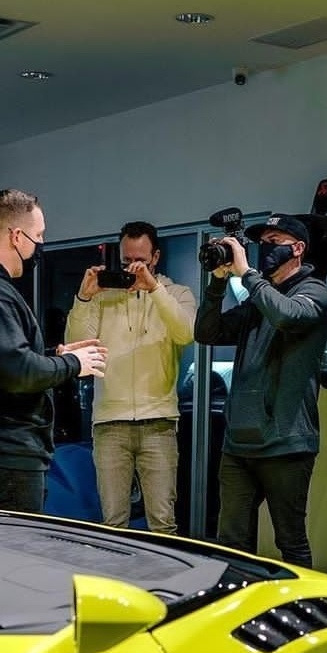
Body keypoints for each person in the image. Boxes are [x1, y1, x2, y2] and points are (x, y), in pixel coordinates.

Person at [0, 189, 106, 513]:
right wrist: (72, 364)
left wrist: (53, 355)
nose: (40, 245)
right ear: (17, 236)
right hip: (5, 452)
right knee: (13, 554)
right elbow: (16, 371)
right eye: (38, 236)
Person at [194, 212, 327, 566]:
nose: (265, 250)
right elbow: (207, 333)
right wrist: (217, 283)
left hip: (286, 442)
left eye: (274, 243)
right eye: (261, 244)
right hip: (239, 443)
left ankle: (299, 613)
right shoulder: (257, 298)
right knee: (231, 542)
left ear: (297, 249)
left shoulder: (314, 292)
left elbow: (286, 315)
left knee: (290, 541)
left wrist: (249, 276)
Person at [65, 221, 196, 533]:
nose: (134, 267)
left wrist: (153, 288)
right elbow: (75, 345)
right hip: (110, 423)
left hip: (159, 423)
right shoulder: (103, 297)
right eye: (127, 261)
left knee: (163, 523)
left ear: (156, 257)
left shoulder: (178, 293)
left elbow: (185, 333)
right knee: (113, 524)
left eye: (142, 260)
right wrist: (84, 299)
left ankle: (166, 582)